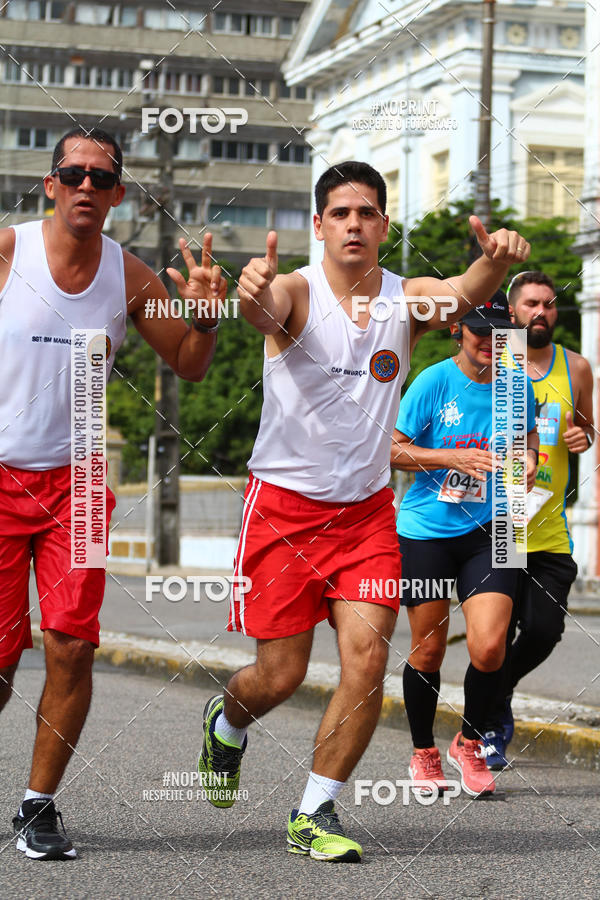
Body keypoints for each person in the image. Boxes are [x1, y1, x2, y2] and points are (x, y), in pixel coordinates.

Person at [196, 160, 531, 861]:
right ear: (319, 225)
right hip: (283, 512)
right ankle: (227, 726)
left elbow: (465, 291)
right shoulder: (295, 287)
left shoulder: (405, 298)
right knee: (280, 676)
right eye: (340, 213)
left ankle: (314, 812)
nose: (354, 223)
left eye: (367, 213)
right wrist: (251, 291)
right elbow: (265, 309)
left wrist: (494, 263)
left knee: (366, 662)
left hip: (367, 517)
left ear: (383, 224)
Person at [0, 126, 226, 860]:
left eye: (102, 178)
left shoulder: (129, 278)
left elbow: (190, 364)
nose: (87, 187)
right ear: (51, 185)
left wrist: (206, 312)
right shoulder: (8, 253)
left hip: (81, 485)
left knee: (71, 648)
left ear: (118, 195)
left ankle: (39, 806)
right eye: (75, 174)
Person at [391, 293, 538, 797]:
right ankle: (423, 751)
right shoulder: (433, 381)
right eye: (480, 334)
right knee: (429, 649)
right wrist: (446, 456)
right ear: (459, 331)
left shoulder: (519, 386)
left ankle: (469, 743)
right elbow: (391, 449)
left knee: (491, 646)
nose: (491, 345)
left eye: (501, 336)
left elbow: (529, 441)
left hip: (500, 524)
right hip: (428, 528)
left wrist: (531, 460)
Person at [482, 271, 595, 768]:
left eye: (549, 305)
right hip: (498, 524)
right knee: (497, 633)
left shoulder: (576, 367)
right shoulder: (493, 359)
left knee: (546, 630)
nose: (541, 313)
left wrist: (583, 438)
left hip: (549, 526)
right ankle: (488, 729)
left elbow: (587, 427)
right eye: (531, 304)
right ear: (512, 310)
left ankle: (497, 691)